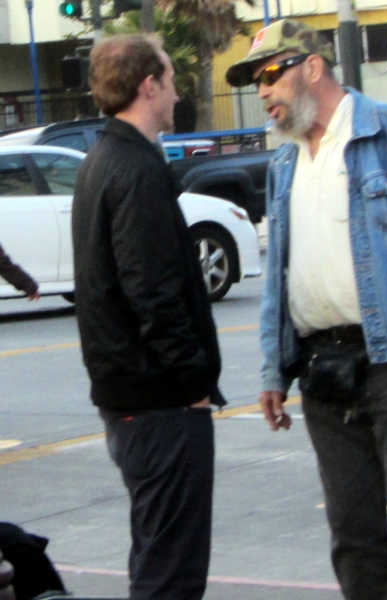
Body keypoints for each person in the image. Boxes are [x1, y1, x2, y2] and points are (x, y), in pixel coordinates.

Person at [226, 18, 387, 600]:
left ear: (311, 68)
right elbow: (280, 279)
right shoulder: (285, 164)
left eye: (270, 75)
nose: (262, 92)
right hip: (324, 371)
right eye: (254, 81)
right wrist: (275, 368)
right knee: (352, 533)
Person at [72, 34, 224, 600]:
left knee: (156, 556)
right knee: (172, 573)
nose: (178, 92)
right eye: (171, 78)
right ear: (148, 85)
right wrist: (192, 384)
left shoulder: (102, 160)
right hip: (158, 402)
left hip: (132, 399)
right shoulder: (134, 170)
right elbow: (153, 294)